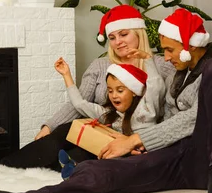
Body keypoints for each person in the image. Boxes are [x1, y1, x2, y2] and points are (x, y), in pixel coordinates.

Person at [0, 8, 212, 193]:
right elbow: (163, 119)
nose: (168, 56)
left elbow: (197, 117)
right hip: (182, 156)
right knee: (101, 170)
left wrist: (136, 139)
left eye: (171, 50)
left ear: (190, 46)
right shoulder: (178, 74)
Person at [0, 5, 174, 171]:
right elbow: (79, 103)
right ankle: (3, 167)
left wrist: (147, 141)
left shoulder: (162, 66)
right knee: (65, 131)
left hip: (135, 142)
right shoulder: (100, 66)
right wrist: (49, 126)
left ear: (138, 33)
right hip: (102, 130)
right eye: (112, 37)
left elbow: (169, 112)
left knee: (77, 155)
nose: (118, 42)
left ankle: (55, 169)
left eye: (123, 34)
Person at [55, 51, 166, 179]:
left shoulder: (146, 109)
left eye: (120, 90)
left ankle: (79, 171)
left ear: (134, 91)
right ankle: (75, 168)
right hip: (118, 159)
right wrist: (66, 75)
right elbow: (80, 104)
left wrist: (148, 59)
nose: (114, 95)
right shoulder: (109, 115)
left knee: (110, 164)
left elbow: (156, 87)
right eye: (110, 90)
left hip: (143, 162)